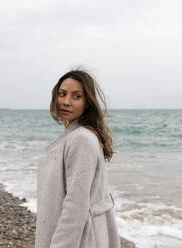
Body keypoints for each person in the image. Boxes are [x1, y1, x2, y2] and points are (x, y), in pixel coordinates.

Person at [35, 69, 121, 248]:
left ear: (87, 102)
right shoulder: (77, 136)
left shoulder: (81, 139)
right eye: (62, 94)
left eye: (76, 96)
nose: (66, 102)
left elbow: (76, 207)